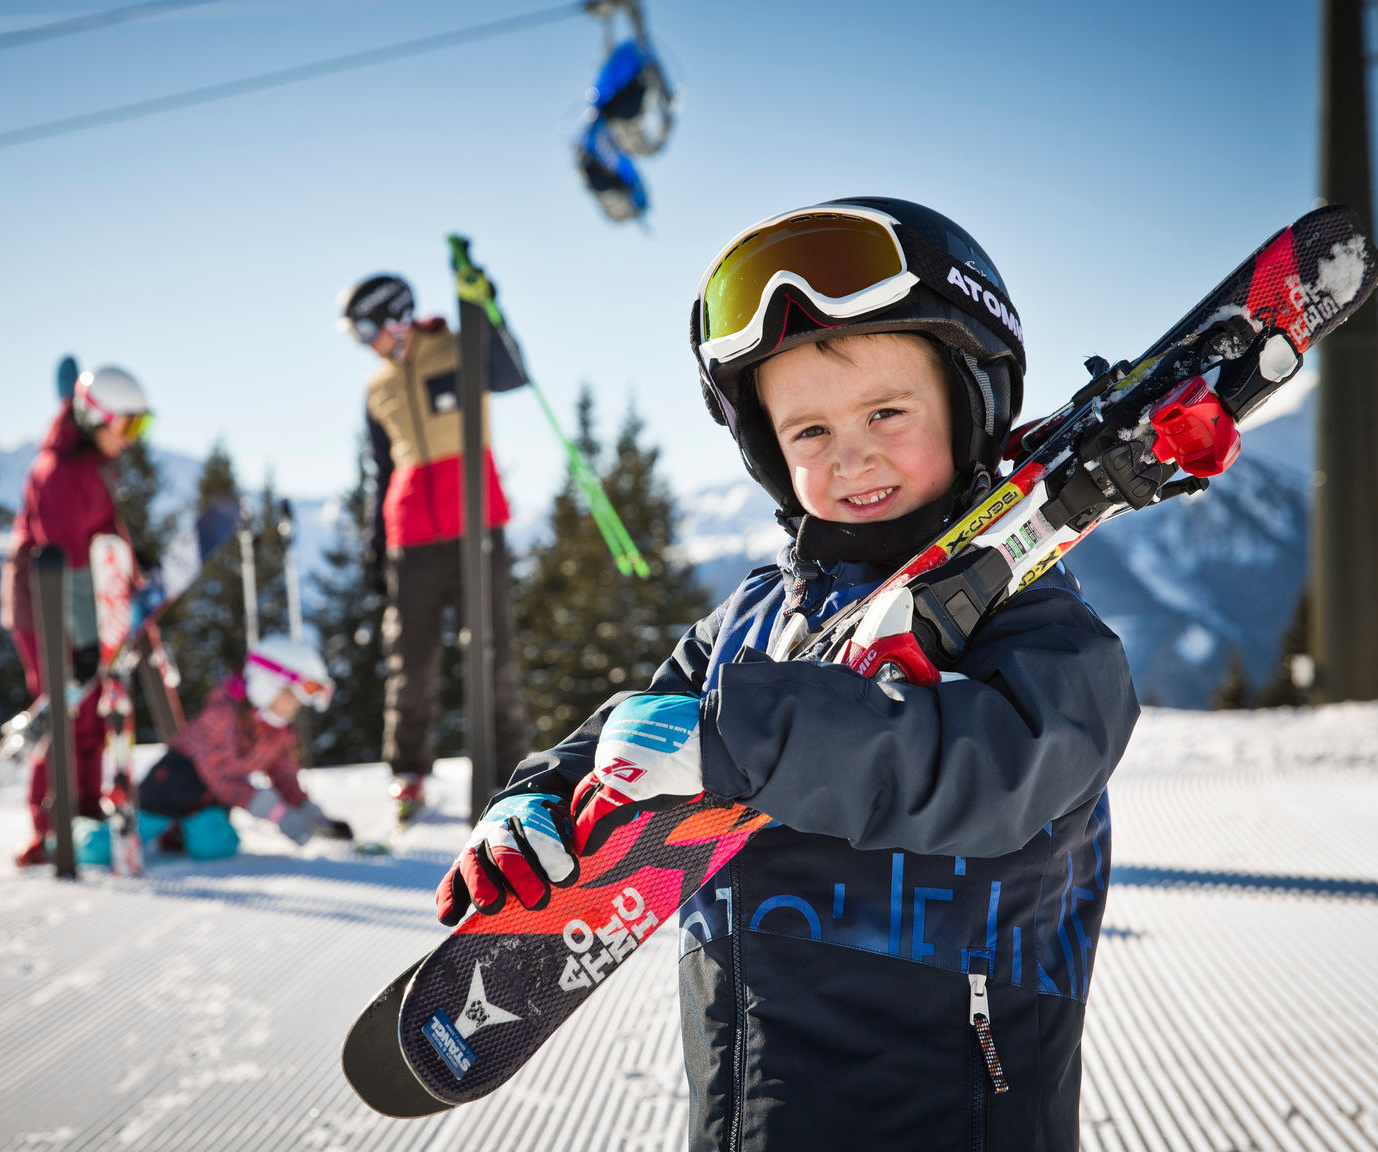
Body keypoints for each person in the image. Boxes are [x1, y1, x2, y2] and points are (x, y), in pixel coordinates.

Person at [434, 199, 1140, 1149]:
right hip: (746, 1107)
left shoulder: (1043, 630)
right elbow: (632, 726)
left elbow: (996, 769)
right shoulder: (753, 619)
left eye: (887, 412)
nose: (851, 455)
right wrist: (536, 800)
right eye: (808, 432)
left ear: (971, 404)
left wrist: (738, 743)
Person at [340, 274, 531, 821]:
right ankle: (408, 772)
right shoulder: (376, 387)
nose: (363, 343)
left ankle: (512, 771)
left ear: (394, 316)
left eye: (365, 330)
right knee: (411, 659)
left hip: (476, 521)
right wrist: (377, 546)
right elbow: (381, 470)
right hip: (411, 536)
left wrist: (487, 309)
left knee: (492, 651)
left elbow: (511, 373)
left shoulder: (459, 347)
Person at [0, 365, 152, 867]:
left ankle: (85, 818)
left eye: (140, 428)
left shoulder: (89, 466)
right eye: (126, 426)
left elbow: (104, 537)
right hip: (44, 606)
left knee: (89, 713)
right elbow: (63, 562)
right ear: (94, 417)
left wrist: (131, 571)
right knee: (64, 713)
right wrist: (86, 639)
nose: (130, 439)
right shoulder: (58, 474)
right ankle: (50, 829)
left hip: (87, 605)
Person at [132, 635, 353, 859]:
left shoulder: (276, 731)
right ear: (266, 685)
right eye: (289, 698)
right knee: (118, 842)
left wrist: (309, 812)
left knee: (217, 848)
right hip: (171, 785)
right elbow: (223, 776)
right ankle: (122, 836)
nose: (293, 709)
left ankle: (177, 832)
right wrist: (278, 813)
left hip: (208, 800)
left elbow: (283, 772)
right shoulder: (221, 716)